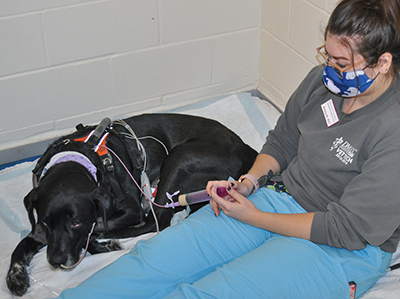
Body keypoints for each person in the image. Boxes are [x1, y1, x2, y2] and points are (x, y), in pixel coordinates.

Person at [58, 0, 400, 298]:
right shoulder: (320, 83)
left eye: (342, 64)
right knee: (156, 260)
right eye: (328, 56)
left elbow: (349, 229)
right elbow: (282, 142)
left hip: (343, 246)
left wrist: (256, 217)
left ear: (382, 63)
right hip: (280, 197)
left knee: (216, 292)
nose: (330, 70)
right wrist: (247, 185)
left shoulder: (392, 128)